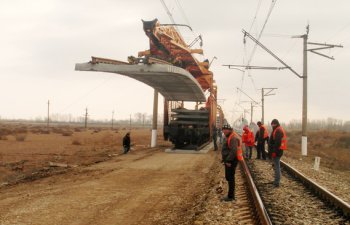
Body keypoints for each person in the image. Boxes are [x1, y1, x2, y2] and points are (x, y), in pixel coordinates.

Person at [221, 125, 243, 201]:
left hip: (231, 161)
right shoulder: (229, 136)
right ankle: (231, 195)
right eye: (223, 130)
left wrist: (228, 161)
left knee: (230, 177)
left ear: (230, 130)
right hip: (229, 160)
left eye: (226, 130)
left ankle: (231, 196)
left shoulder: (233, 137)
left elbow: (234, 151)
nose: (224, 131)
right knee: (228, 177)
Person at [269, 119, 287, 187]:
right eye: (272, 124)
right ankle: (276, 180)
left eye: (273, 124)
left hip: (277, 151)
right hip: (277, 150)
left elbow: (277, 143)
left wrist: (274, 152)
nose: (272, 125)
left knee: (277, 166)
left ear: (276, 124)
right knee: (276, 166)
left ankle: (277, 182)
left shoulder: (278, 130)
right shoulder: (277, 129)